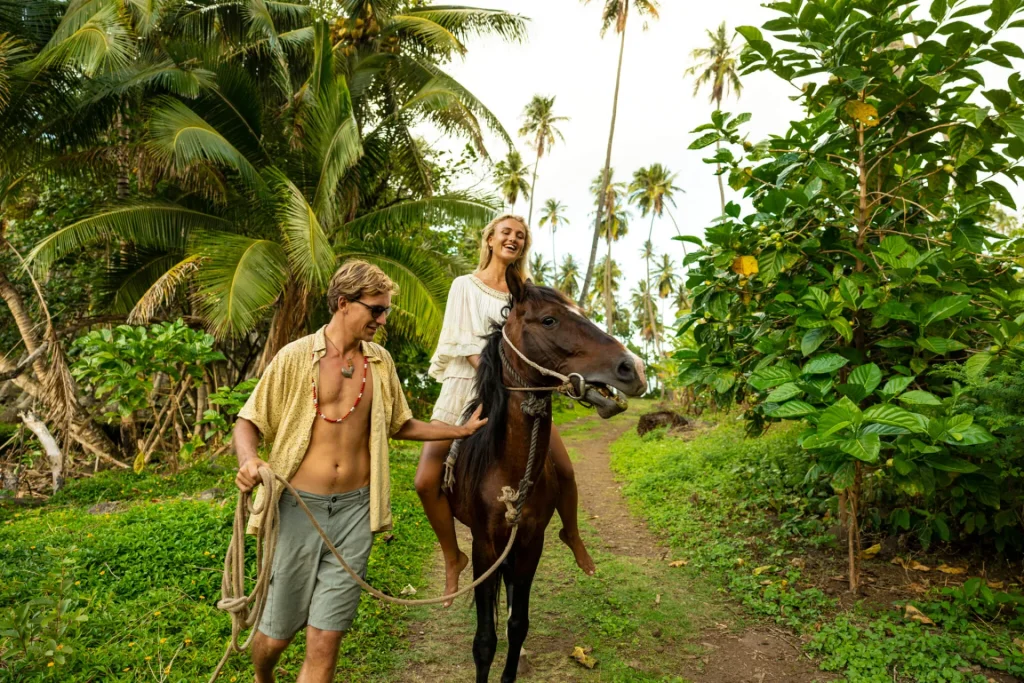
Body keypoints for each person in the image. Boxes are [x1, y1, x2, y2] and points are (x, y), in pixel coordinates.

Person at [233, 259, 488, 683]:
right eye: (376, 309)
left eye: (385, 310)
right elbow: (249, 421)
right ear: (343, 303)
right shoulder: (295, 357)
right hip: (299, 510)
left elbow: (400, 423)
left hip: (355, 512)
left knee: (325, 642)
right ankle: (263, 676)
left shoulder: (381, 363)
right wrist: (249, 460)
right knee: (276, 637)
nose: (383, 319)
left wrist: (459, 429)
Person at [415, 214, 595, 608]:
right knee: (426, 480)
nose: (513, 238)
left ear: (523, 246)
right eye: (506, 232)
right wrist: (496, 380)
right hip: (467, 387)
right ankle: (453, 558)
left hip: (519, 395)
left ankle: (572, 533)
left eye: (520, 235)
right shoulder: (466, 285)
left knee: (563, 469)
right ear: (491, 240)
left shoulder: (526, 294)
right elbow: (463, 341)